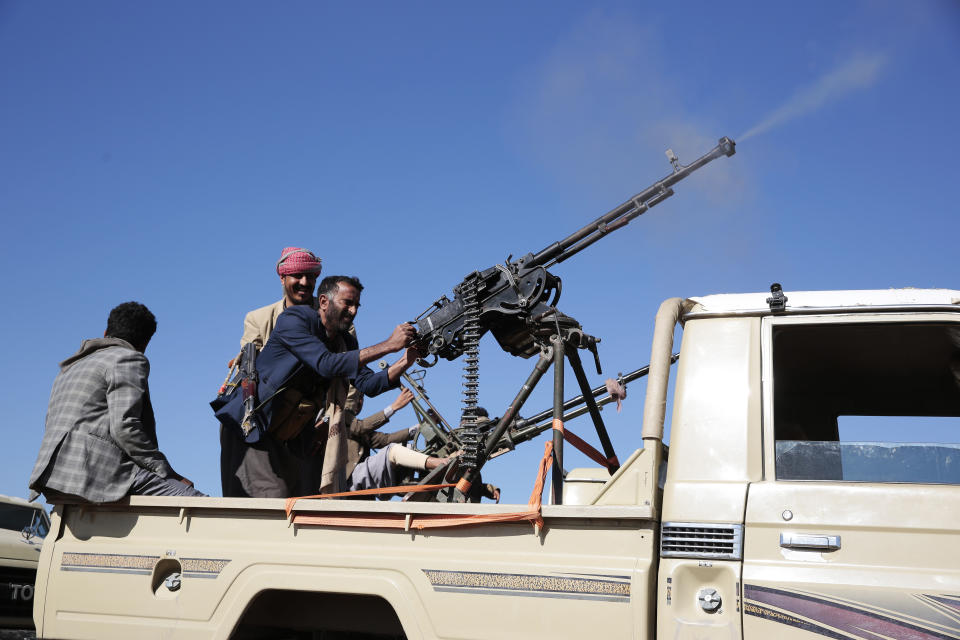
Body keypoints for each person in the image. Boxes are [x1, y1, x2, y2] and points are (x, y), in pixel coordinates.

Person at [216, 275, 422, 497]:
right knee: (271, 504)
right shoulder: (294, 320)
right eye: (348, 303)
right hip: (254, 427)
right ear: (324, 302)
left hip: (290, 435)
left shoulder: (344, 340)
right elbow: (326, 364)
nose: (353, 311)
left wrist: (406, 360)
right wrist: (389, 345)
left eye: (357, 306)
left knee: (300, 500)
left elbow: (368, 384)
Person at [29, 302, 204, 503]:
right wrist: (166, 471)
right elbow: (125, 427)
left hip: (52, 476)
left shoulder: (70, 367)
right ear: (144, 344)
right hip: (94, 472)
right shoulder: (127, 359)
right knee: (200, 505)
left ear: (105, 332)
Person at [241, 246, 323, 350]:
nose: (304, 282)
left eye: (309, 276)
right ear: (282, 278)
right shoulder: (257, 320)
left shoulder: (334, 313)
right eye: (297, 275)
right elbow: (249, 362)